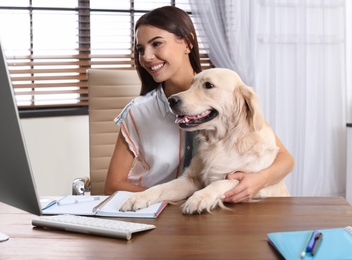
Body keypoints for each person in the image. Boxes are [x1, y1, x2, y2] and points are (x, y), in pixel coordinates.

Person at [104, 6, 294, 203]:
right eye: (141, 49)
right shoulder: (137, 112)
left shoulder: (225, 92)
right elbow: (112, 185)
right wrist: (163, 200)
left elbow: (285, 160)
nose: (147, 57)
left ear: (187, 43)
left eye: (157, 44)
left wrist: (256, 182)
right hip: (156, 213)